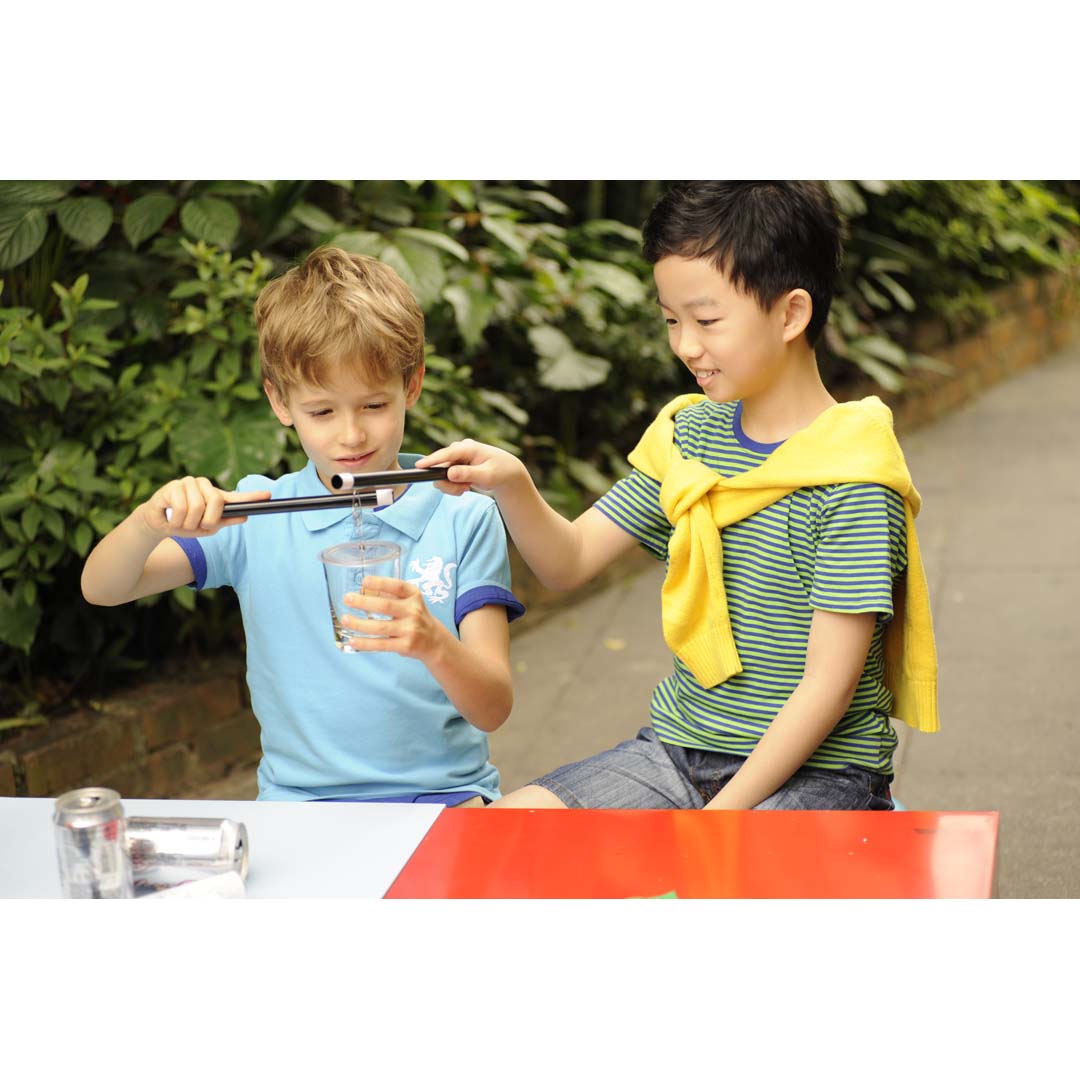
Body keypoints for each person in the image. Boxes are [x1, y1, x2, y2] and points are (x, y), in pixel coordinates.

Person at [419, 181, 938, 811]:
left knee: (715, 868)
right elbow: (569, 560)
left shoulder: (852, 476)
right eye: (672, 320)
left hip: (821, 773)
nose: (685, 345)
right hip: (678, 754)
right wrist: (512, 483)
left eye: (707, 320)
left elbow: (827, 687)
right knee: (500, 833)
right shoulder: (691, 435)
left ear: (791, 314)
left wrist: (717, 820)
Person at [82, 246, 524, 804]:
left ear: (411, 386)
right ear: (280, 402)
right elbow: (103, 588)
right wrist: (149, 522)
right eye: (321, 411)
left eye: (373, 405)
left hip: (444, 798)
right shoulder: (256, 513)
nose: (351, 435)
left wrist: (433, 643)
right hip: (299, 804)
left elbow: (493, 708)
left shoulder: (463, 513)